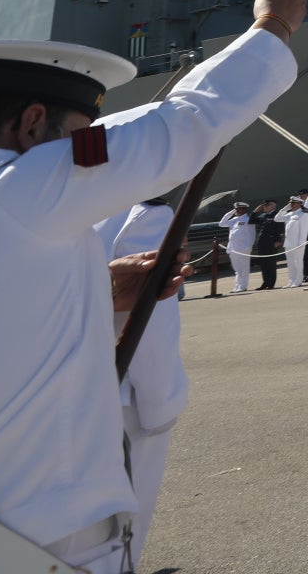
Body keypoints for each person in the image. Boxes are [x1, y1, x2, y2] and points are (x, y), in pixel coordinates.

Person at [0, 0, 308, 570]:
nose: (77, 146)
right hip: (34, 544)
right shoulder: (7, 193)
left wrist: (99, 287)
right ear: (34, 124)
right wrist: (273, 28)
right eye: (75, 131)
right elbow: (184, 123)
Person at [96, 199, 190, 567]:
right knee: (120, 535)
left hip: (64, 389)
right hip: (125, 397)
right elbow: (153, 320)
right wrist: (160, 403)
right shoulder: (144, 213)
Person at [218, 200, 256, 292]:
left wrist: (249, 247)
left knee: (244, 268)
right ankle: (237, 286)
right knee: (237, 269)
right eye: (236, 209)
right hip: (233, 248)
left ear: (244, 210)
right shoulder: (234, 220)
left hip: (243, 248)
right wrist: (230, 212)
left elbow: (252, 234)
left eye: (239, 209)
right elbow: (221, 224)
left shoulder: (248, 219)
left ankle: (243, 286)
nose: (237, 211)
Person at [278, 193, 308, 288]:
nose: (292, 205)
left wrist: (301, 243)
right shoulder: (288, 214)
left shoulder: (303, 215)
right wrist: (284, 209)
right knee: (291, 262)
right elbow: (277, 219)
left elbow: (304, 230)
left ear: (299, 204)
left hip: (298, 243)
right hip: (288, 243)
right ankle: (291, 280)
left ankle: (298, 280)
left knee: (298, 262)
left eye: (294, 203)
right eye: (291, 203)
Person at [250, 198, 282, 289]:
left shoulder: (277, 214)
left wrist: (278, 240)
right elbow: (252, 221)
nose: (264, 207)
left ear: (273, 206)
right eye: (264, 205)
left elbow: (279, 229)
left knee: (271, 264)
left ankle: (271, 283)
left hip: (271, 243)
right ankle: (265, 283)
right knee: (263, 265)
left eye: (266, 205)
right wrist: (255, 211)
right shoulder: (264, 215)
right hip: (262, 243)